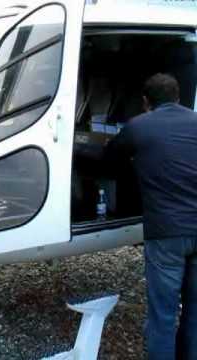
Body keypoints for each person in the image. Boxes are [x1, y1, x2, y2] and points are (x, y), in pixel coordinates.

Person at [105, 73, 197, 359]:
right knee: (195, 313)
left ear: (145, 102)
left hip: (166, 233)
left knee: (163, 316)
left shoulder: (138, 127)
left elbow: (109, 160)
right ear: (179, 98)